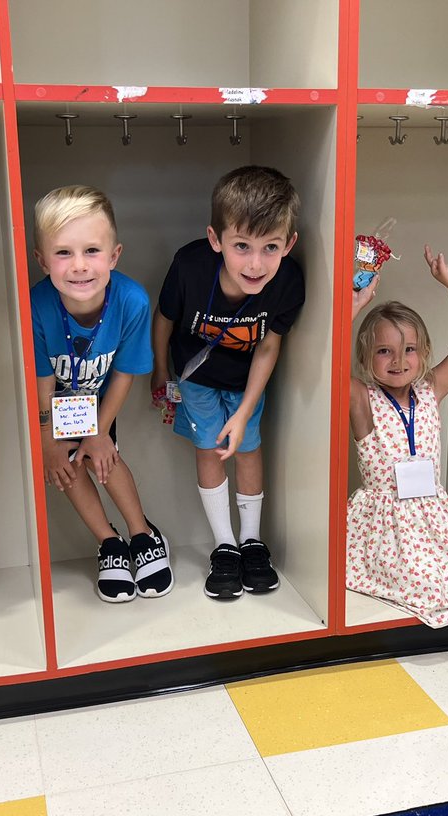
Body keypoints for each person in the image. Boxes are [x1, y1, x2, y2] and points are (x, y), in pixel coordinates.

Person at [152, 166, 304, 600]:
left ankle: (251, 541)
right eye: (242, 246)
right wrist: (160, 371)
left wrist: (243, 412)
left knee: (249, 446)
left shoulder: (288, 280)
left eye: (270, 247)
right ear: (216, 240)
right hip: (195, 376)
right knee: (209, 449)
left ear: (289, 244)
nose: (255, 264)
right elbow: (164, 319)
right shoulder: (190, 266)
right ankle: (225, 545)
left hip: (246, 380)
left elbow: (269, 347)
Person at [30, 185, 173, 603]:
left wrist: (98, 430)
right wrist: (48, 438)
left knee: (102, 455)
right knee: (67, 465)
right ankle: (109, 542)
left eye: (92, 251)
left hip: (100, 400)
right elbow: (41, 379)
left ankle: (142, 534)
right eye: (63, 253)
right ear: (42, 260)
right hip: (54, 402)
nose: (79, 266)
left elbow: (126, 372)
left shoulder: (131, 300)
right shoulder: (37, 304)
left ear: (114, 255)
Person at [346, 247, 448, 627]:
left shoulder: (430, 389)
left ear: (424, 352)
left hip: (432, 515)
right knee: (424, 582)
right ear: (364, 357)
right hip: (385, 524)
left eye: (409, 350)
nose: (399, 361)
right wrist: (354, 305)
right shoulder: (362, 397)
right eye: (384, 351)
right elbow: (325, 358)